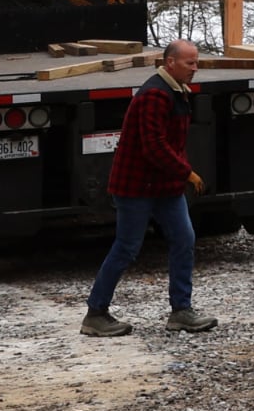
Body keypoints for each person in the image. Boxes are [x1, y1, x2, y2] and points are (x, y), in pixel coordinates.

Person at [81, 38, 216, 335]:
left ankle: (181, 311)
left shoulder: (177, 91)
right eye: (189, 63)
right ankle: (96, 313)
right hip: (136, 186)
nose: (195, 69)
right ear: (170, 63)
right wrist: (188, 173)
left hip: (165, 186)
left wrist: (179, 173)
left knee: (184, 239)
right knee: (127, 247)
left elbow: (174, 143)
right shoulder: (154, 95)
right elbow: (154, 146)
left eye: (196, 63)